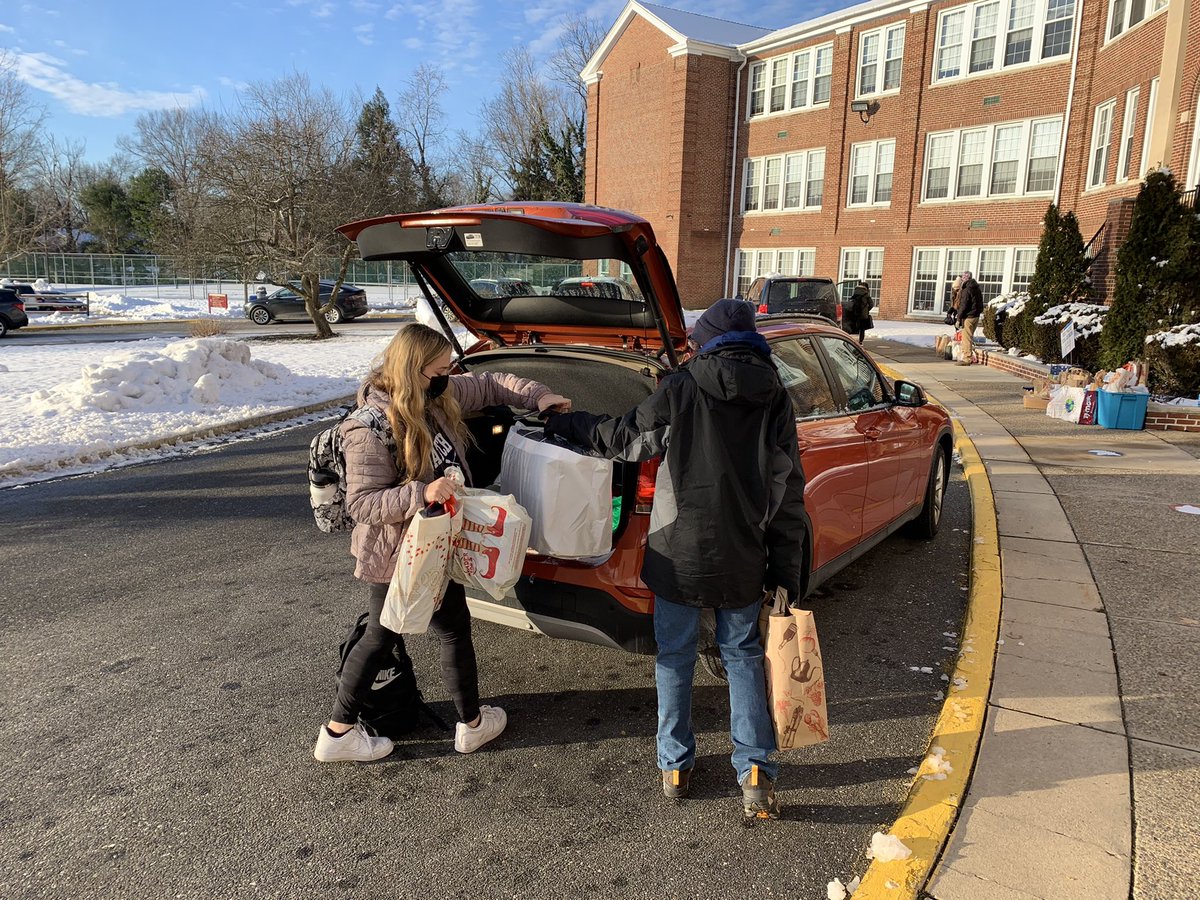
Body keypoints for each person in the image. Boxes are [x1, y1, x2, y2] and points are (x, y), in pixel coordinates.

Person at [543, 299, 806, 821]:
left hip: (676, 549)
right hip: (744, 553)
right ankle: (755, 772)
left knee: (675, 655)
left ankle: (676, 766)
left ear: (705, 340)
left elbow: (623, 440)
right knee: (742, 657)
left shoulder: (682, 387)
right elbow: (787, 488)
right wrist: (787, 569)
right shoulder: (775, 395)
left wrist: (566, 423)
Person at [314, 323, 572, 763]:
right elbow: (363, 504)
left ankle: (468, 724)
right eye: (438, 368)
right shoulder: (367, 428)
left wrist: (537, 395)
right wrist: (423, 491)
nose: (446, 375)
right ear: (415, 370)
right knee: (382, 634)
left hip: (433, 545)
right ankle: (340, 733)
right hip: (397, 553)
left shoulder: (433, 395)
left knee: (445, 627)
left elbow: (491, 384)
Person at [956, 270, 984, 366]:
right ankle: (965, 356)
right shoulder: (976, 288)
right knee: (969, 337)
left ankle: (967, 359)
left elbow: (964, 305)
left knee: (966, 338)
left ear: (965, 279)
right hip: (976, 316)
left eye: (962, 278)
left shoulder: (967, 289)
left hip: (968, 317)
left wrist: (958, 318)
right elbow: (980, 303)